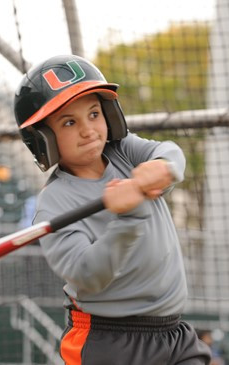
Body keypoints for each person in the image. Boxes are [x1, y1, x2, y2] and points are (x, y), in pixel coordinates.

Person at [14, 54, 211, 365]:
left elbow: (169, 152)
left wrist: (163, 167)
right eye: (69, 122)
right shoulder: (54, 202)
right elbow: (88, 274)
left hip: (172, 333)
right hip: (106, 342)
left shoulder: (123, 151)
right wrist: (129, 216)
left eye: (94, 114)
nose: (88, 130)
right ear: (43, 139)